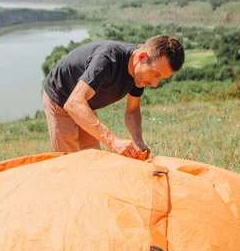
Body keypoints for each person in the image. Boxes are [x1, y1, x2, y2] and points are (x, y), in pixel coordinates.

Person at [43, 35, 184, 159]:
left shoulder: (139, 74)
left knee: (93, 156)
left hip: (85, 102)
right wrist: (113, 141)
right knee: (70, 163)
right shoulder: (106, 61)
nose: (155, 83)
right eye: (155, 74)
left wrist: (138, 140)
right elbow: (73, 104)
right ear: (142, 57)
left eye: (161, 78)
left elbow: (132, 111)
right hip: (61, 98)